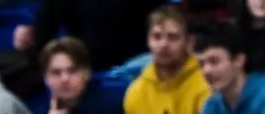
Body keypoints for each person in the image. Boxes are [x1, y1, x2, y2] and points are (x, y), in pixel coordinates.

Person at [15, 0, 158, 78]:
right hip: (86, 73)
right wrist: (29, 39)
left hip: (138, 67)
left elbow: (162, 21)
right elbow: (42, 35)